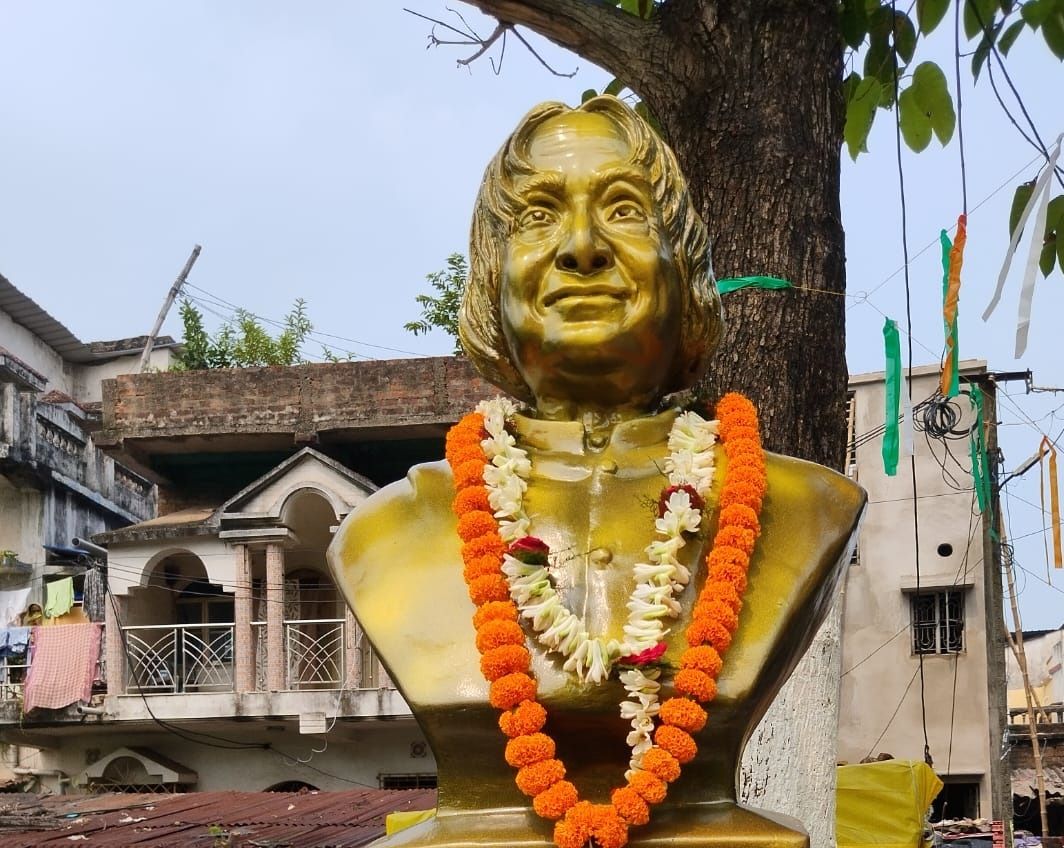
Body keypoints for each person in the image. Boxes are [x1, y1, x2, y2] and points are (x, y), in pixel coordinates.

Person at [328, 96, 865, 848]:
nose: (582, 247)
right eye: (540, 215)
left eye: (623, 210)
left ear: (684, 268)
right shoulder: (383, 534)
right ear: (492, 279)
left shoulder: (806, 507)